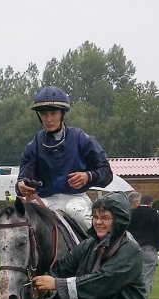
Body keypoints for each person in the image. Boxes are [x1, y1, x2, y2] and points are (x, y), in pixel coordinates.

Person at [16, 85, 113, 228]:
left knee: (77, 212)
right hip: (45, 200)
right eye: (44, 114)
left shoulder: (81, 138)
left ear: (63, 114)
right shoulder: (33, 146)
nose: (48, 119)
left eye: (53, 113)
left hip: (76, 199)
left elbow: (107, 173)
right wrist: (21, 186)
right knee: (22, 220)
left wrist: (88, 176)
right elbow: (22, 180)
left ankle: (104, 247)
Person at [127, 192, 159, 297]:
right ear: (150, 203)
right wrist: (156, 247)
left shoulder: (131, 214)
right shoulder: (154, 214)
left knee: (132, 278)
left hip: (132, 250)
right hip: (149, 249)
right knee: (146, 279)